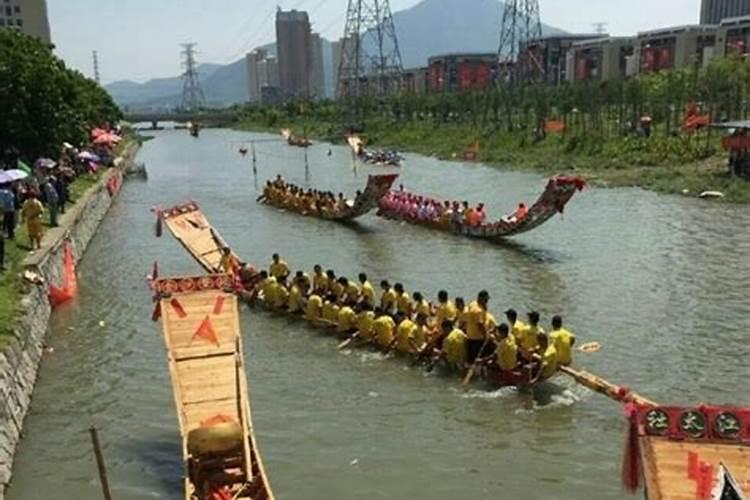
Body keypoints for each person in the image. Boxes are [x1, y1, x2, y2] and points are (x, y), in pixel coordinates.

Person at [464, 291, 491, 364]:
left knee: (471, 356)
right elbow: (480, 325)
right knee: (477, 355)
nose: (487, 301)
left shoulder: (473, 303)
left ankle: (469, 363)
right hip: (477, 338)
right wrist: (486, 336)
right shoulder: (478, 311)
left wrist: (485, 307)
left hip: (470, 334)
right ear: (480, 298)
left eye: (487, 300)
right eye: (485, 300)